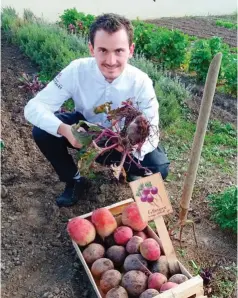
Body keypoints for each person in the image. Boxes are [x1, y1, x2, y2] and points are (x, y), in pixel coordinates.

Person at [24, 13, 170, 208]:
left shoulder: (140, 82)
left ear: (131, 50)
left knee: (158, 167)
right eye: (103, 50)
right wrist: (65, 130)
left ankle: (132, 176)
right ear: (91, 49)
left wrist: (129, 146)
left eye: (119, 51)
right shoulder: (76, 71)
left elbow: (151, 128)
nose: (111, 60)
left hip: (123, 140)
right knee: (43, 131)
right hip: (87, 131)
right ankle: (74, 180)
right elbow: (34, 108)